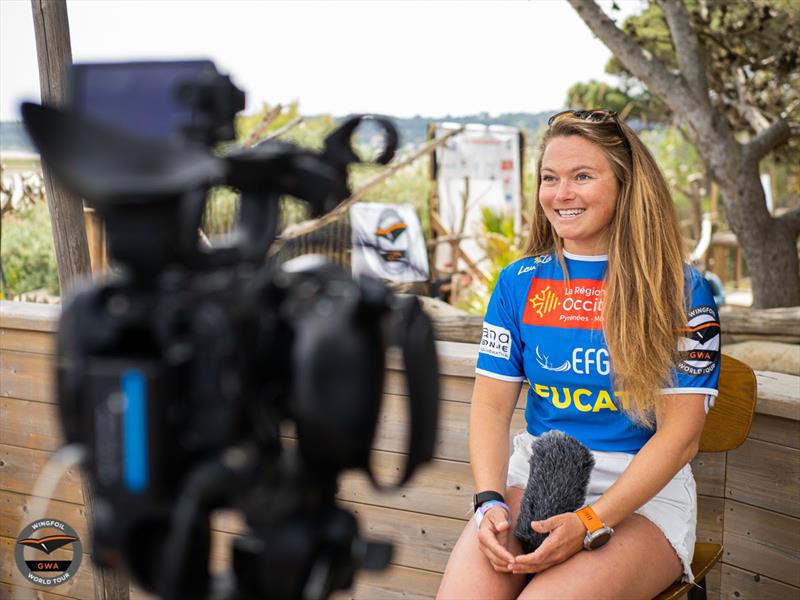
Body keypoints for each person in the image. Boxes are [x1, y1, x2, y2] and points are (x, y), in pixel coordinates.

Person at [437, 109, 721, 600]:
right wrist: (488, 502)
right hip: (536, 475)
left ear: (625, 185)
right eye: (550, 178)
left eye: (582, 177)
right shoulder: (517, 282)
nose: (561, 194)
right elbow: (489, 406)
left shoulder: (679, 288)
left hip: (642, 495)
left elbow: (679, 439)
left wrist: (589, 521)